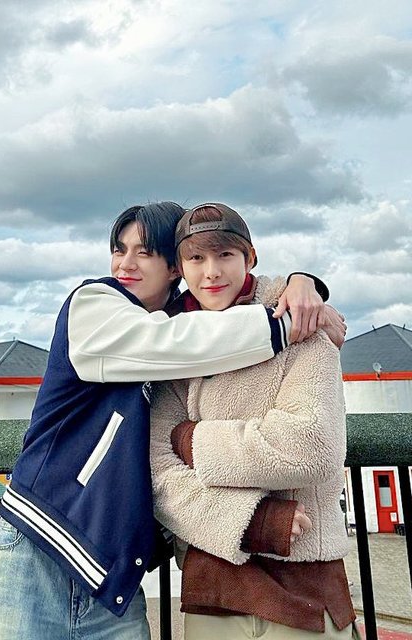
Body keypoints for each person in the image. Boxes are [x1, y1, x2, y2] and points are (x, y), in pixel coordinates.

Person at [0, 201, 342, 640]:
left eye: (144, 252)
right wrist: (288, 319)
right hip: (40, 541)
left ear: (172, 268)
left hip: (113, 571)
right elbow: (174, 342)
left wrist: (301, 286)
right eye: (119, 250)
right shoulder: (93, 305)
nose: (124, 264)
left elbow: (197, 332)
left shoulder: (181, 325)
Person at [150, 203, 356, 639]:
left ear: (250, 257)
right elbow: (158, 473)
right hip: (212, 582)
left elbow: (311, 446)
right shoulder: (173, 345)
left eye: (225, 254)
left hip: (306, 582)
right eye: (196, 258)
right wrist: (255, 520)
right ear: (180, 269)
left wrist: (190, 440)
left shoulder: (301, 325)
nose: (211, 272)